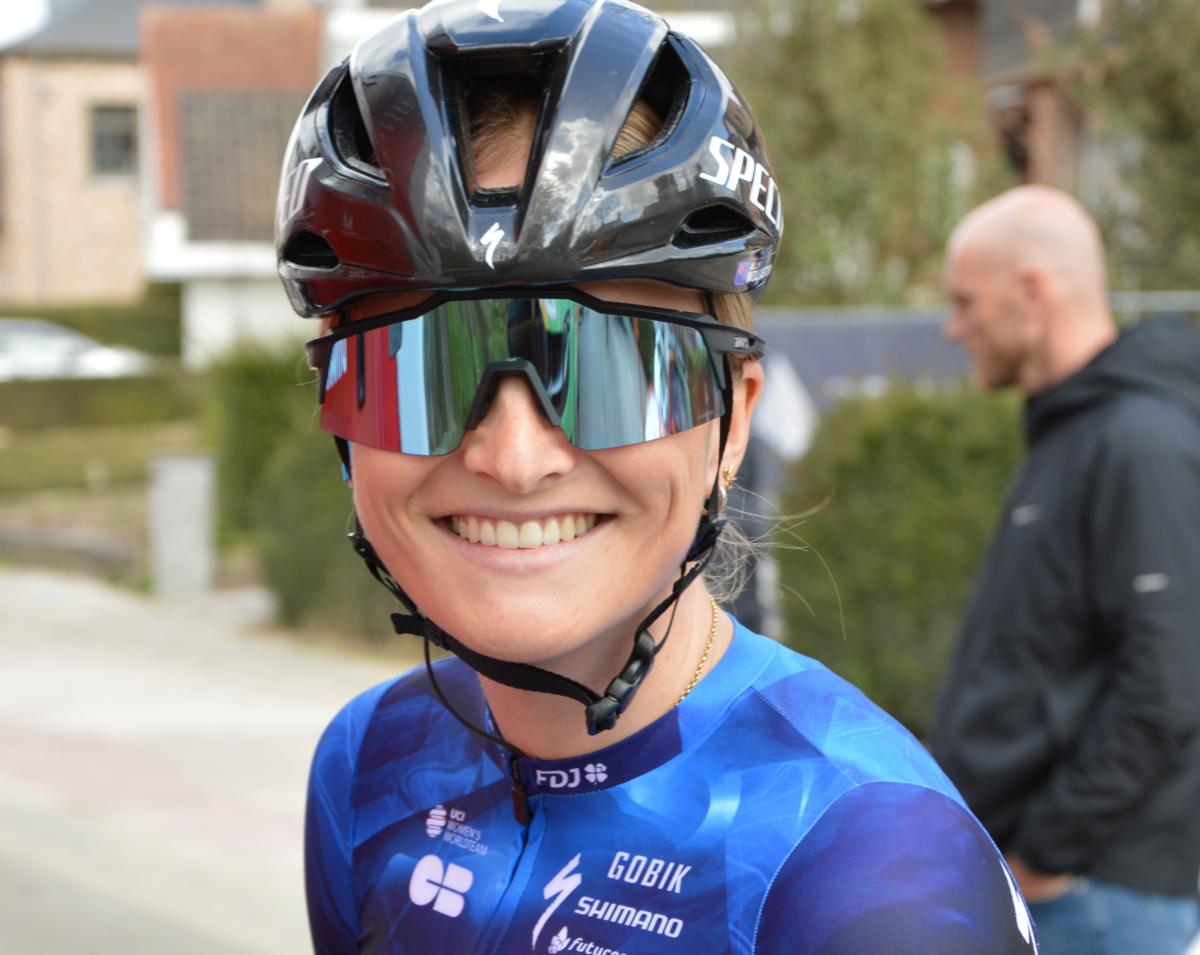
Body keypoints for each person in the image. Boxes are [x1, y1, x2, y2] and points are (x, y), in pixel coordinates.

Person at [277, 2, 1039, 952]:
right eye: (419, 372)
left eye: (611, 369)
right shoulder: (367, 766)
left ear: (733, 420)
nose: (514, 459)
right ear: (340, 419)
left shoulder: (876, 872)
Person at [932, 185, 1200, 954]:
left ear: (1032, 291)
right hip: (1059, 890)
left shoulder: (1139, 440)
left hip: (1094, 897)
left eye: (966, 302)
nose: (954, 327)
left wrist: (1046, 854)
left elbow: (1168, 681)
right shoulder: (1073, 433)